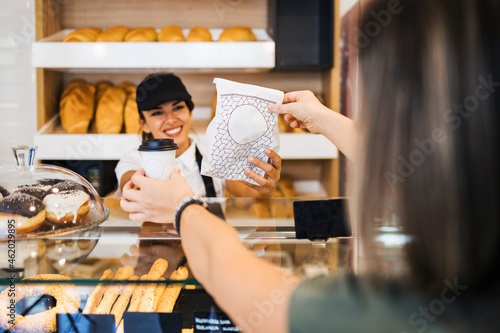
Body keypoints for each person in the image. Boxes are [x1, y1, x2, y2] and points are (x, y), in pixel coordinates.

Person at [121, 0, 500, 332]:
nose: (170, 119)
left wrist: (188, 205)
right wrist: (323, 119)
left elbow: (258, 298)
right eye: (157, 113)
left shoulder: (390, 311)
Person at [114, 72, 281, 199]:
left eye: (178, 108)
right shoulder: (133, 160)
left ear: (190, 112)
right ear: (144, 123)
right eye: (158, 112)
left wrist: (263, 187)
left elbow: (245, 190)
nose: (171, 119)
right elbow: (131, 184)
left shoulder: (214, 155)